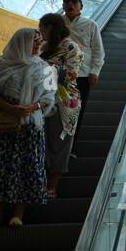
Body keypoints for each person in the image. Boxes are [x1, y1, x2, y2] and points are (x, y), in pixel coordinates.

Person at [0, 27, 56, 228]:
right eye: (34, 41)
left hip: (29, 124)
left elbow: (49, 97)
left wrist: (33, 106)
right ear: (21, 41)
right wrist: (11, 108)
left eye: (39, 41)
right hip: (3, 123)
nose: (38, 45)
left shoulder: (44, 67)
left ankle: (18, 214)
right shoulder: (1, 64)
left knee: (26, 166)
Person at [38, 12, 83, 199]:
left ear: (49, 27)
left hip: (64, 101)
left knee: (59, 144)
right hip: (42, 100)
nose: (40, 32)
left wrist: (41, 68)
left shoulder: (71, 47)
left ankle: (52, 186)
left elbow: (70, 75)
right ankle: (39, 183)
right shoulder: (45, 46)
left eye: (42, 27)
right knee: (43, 143)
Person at [62, 0, 105, 135]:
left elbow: (98, 50)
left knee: (78, 109)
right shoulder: (57, 24)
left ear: (81, 6)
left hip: (82, 75)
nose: (70, 4)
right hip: (59, 73)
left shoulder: (91, 25)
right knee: (58, 108)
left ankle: (71, 146)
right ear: (63, 6)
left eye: (74, 2)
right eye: (67, 2)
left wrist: (95, 71)